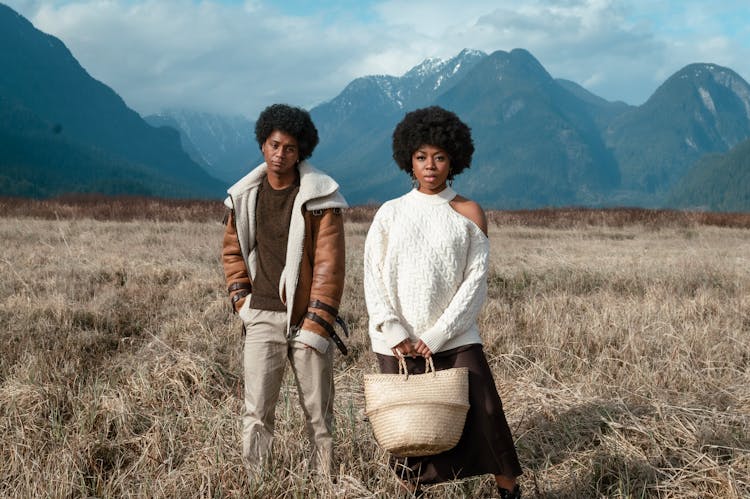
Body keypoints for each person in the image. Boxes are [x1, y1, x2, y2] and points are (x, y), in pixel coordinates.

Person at [363, 106, 522, 497]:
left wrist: (436, 334)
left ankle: (508, 488)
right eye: (421, 157)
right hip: (397, 340)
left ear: (453, 159)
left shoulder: (468, 212)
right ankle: (413, 490)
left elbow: (475, 283)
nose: (430, 166)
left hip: (454, 336)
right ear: (409, 161)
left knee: (486, 412)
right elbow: (372, 276)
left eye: (438, 157)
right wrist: (395, 329)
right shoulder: (390, 213)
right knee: (409, 426)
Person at [221, 103, 347, 477]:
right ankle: (256, 481)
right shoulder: (245, 196)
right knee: (256, 411)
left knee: (318, 414)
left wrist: (317, 322)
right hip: (261, 313)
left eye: (289, 148)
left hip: (307, 318)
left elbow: (329, 265)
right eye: (275, 145)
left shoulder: (320, 199)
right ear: (263, 145)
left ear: (300, 152)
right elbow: (231, 251)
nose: (280, 154)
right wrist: (242, 301)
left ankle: (323, 481)